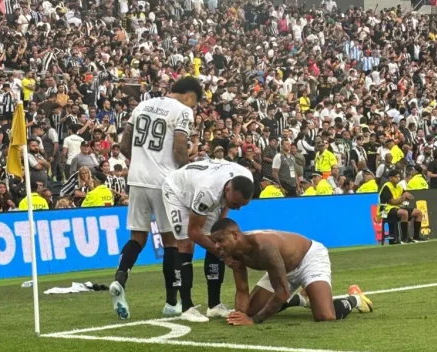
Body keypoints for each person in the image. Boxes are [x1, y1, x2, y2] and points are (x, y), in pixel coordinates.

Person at [110, 77, 201, 320]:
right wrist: (187, 171)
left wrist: (142, 162)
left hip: (136, 179)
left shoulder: (142, 105)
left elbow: (124, 145)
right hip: (164, 182)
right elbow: (179, 150)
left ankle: (121, 276)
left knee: (137, 237)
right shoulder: (182, 111)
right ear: (190, 96)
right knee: (171, 241)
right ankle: (172, 302)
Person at [209, 218, 373, 325]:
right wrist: (240, 315)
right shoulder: (232, 253)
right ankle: (302, 299)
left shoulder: (264, 247)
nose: (216, 247)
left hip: (308, 259)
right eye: (214, 242)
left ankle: (355, 299)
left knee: (325, 316)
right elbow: (242, 289)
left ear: (235, 235)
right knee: (251, 309)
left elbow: (282, 292)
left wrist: (253, 320)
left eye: (220, 240)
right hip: (281, 269)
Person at [161, 159, 254, 322]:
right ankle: (187, 307)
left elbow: (226, 206)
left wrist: (220, 234)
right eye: (235, 203)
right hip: (177, 192)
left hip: (202, 189)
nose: (237, 208)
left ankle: (214, 305)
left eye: (241, 205)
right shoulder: (208, 192)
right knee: (185, 244)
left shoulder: (246, 178)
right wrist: (223, 255)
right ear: (227, 189)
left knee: (217, 238)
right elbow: (193, 232)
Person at [379, 169, 427, 244]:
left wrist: (406, 195)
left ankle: (416, 236)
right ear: (390, 178)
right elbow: (392, 202)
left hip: (396, 208)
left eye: (398, 177)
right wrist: (402, 197)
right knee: (404, 213)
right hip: (385, 210)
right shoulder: (386, 187)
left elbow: (410, 197)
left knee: (418, 212)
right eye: (396, 177)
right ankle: (405, 238)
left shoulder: (399, 186)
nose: (398, 178)